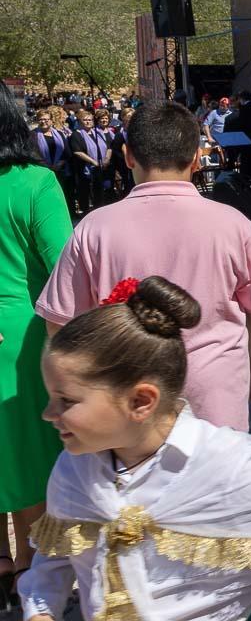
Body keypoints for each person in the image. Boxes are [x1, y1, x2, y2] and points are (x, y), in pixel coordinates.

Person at [19, 277, 251, 620]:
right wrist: (41, 610)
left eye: (66, 400)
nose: (48, 414)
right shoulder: (72, 470)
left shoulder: (234, 468)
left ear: (141, 401)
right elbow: (54, 562)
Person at [37, 101, 251, 432]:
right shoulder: (232, 224)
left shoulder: (93, 228)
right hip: (214, 403)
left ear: (128, 157)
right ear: (198, 158)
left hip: (126, 406)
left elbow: (60, 323)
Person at [0, 84, 74, 608]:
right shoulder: (33, 184)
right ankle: (37, 571)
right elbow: (64, 270)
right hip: (22, 342)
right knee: (30, 458)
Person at [67, 109, 106, 216]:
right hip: (84, 169)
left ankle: (99, 210)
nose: (88, 122)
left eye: (90, 120)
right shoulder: (76, 135)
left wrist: (105, 160)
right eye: (85, 120)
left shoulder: (98, 133)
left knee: (99, 191)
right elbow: (77, 151)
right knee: (85, 191)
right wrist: (93, 161)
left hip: (99, 168)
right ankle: (86, 212)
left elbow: (107, 147)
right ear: (80, 122)